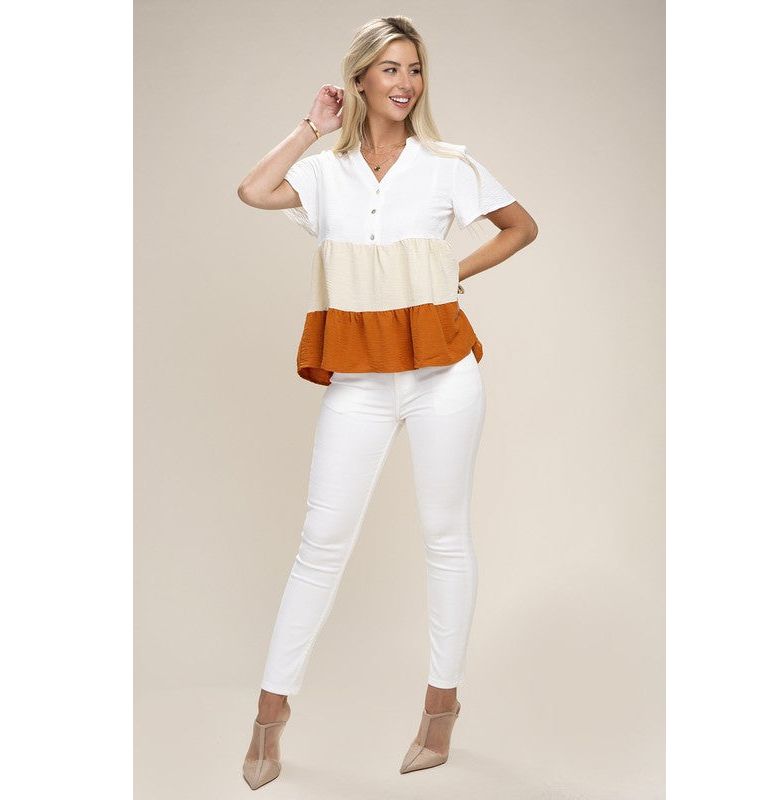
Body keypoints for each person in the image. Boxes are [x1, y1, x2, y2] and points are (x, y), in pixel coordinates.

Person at [236, 15, 538, 789]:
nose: (406, 83)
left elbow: (520, 227)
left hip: (444, 375)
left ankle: (440, 707)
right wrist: (311, 126)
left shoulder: (447, 165)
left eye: (415, 68)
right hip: (361, 383)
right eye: (391, 68)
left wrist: (453, 274)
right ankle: (270, 714)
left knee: (446, 537)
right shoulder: (325, 174)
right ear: (361, 78)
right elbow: (253, 189)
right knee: (321, 541)